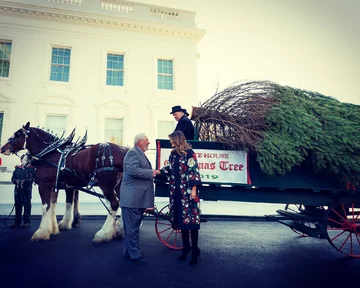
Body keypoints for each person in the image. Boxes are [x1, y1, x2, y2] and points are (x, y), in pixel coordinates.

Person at [156, 130, 202, 265]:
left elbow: (194, 170)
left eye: (172, 140)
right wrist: (157, 172)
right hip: (176, 193)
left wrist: (194, 189)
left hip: (188, 194)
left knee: (192, 223)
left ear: (178, 140)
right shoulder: (173, 155)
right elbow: (169, 169)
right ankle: (186, 249)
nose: (170, 142)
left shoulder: (189, 153)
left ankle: (194, 252)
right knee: (182, 224)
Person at [120, 133, 159, 265]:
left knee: (131, 227)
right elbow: (132, 170)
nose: (149, 142)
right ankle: (135, 255)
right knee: (132, 228)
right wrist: (152, 173)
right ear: (139, 142)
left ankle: (128, 251)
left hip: (135, 199)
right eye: (147, 140)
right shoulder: (133, 153)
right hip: (132, 199)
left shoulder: (137, 153)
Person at [10, 154, 36, 228]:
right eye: (23, 159)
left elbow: (34, 179)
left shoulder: (31, 170)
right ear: (21, 160)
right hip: (17, 190)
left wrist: (25, 181)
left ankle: (26, 222)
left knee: (27, 205)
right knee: (18, 205)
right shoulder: (17, 169)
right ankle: (17, 222)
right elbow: (13, 179)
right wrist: (16, 181)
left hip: (26, 190)